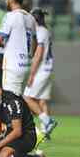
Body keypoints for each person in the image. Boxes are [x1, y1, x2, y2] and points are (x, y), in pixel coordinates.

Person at [0, 79, 46, 157]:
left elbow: (17, 131)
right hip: (9, 135)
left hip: (26, 136)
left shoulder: (12, 101)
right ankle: (9, 155)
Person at [23, 8, 57, 141]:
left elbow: (39, 54)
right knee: (42, 101)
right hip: (49, 69)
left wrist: (31, 74)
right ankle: (45, 132)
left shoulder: (40, 32)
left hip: (42, 70)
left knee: (27, 97)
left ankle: (47, 121)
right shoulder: (45, 31)